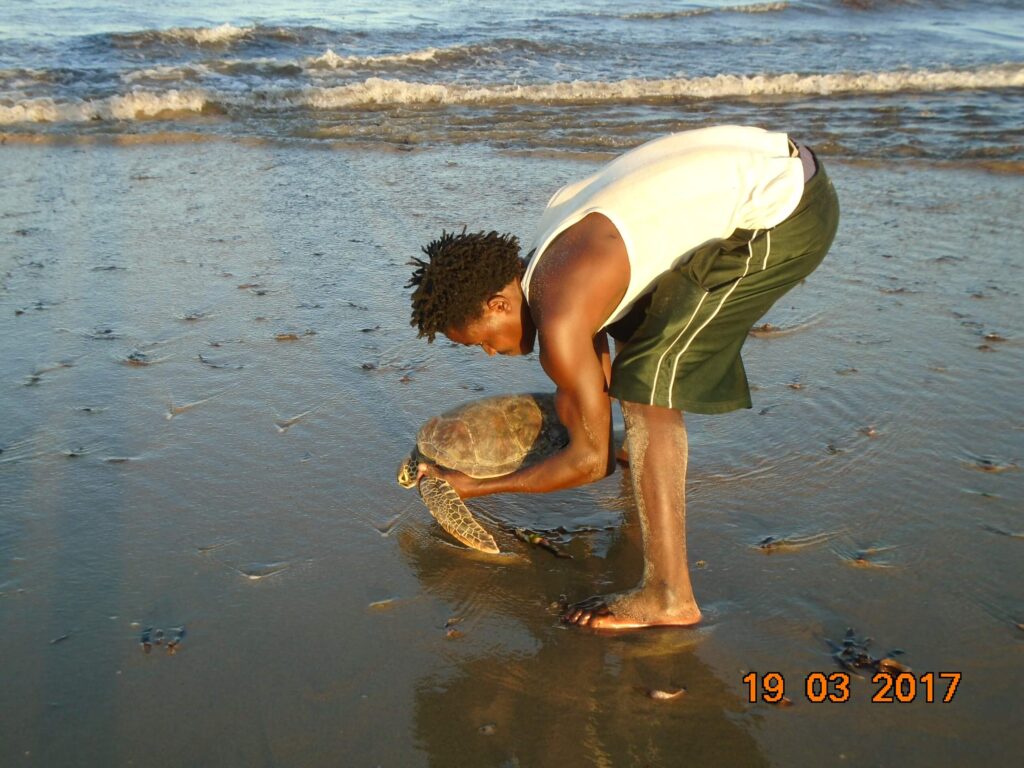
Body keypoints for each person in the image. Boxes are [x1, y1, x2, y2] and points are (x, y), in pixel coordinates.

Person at [406, 125, 839, 630]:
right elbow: (588, 399)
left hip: (787, 214)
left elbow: (590, 464)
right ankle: (642, 453)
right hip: (780, 163)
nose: (489, 352)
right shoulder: (555, 256)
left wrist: (474, 485)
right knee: (633, 329)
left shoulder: (561, 317)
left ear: (498, 303)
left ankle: (668, 595)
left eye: (482, 338)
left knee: (647, 383)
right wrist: (591, 432)